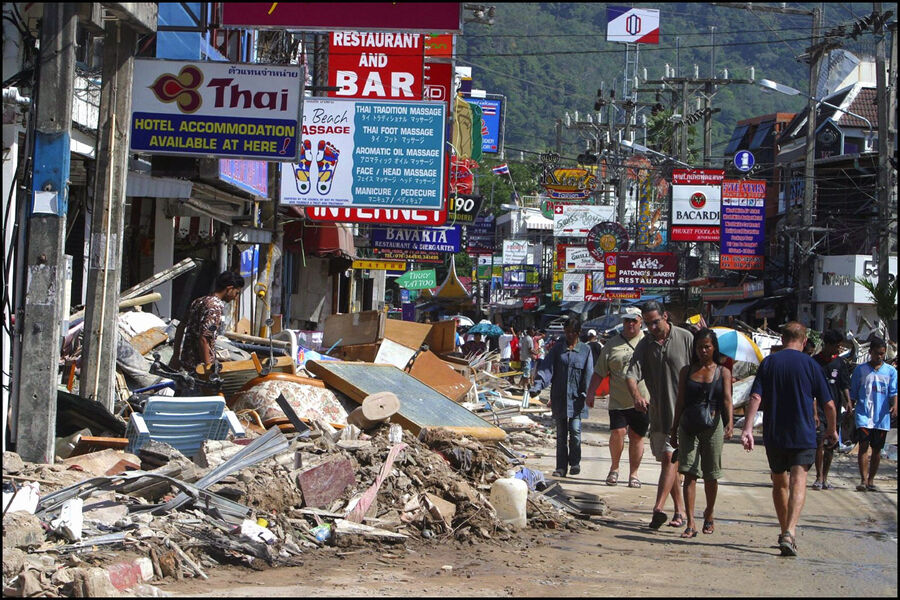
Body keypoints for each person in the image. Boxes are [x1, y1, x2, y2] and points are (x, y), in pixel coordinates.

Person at [741, 322, 837, 557]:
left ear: (782, 340)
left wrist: (747, 429)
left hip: (774, 433)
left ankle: (785, 530)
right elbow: (829, 405)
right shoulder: (811, 365)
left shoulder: (769, 363)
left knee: (778, 483)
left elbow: (755, 396)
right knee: (798, 482)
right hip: (803, 434)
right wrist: (832, 430)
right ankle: (790, 531)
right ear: (804, 342)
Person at [626, 300, 692, 529]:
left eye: (656, 322)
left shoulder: (685, 339)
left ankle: (658, 508)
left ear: (665, 316)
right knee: (669, 462)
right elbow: (631, 375)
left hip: (684, 415)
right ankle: (680, 512)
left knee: (669, 459)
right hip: (660, 415)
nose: (653, 328)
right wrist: (636, 396)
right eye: (649, 324)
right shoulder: (645, 345)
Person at [669, 329, 734, 538]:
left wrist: (730, 423)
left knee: (711, 475)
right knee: (689, 473)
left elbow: (726, 399)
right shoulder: (686, 371)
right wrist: (674, 427)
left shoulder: (722, 372)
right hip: (688, 426)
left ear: (714, 348)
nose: (703, 351)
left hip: (713, 427)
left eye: (707, 347)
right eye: (699, 347)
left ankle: (709, 513)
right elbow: (679, 401)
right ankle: (690, 523)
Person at [589, 307, 650, 488]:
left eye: (634, 321)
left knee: (637, 436)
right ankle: (614, 468)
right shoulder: (612, 344)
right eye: (627, 320)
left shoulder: (648, 343)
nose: (630, 324)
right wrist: (591, 392)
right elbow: (599, 371)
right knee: (618, 433)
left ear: (641, 322)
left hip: (642, 399)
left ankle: (634, 474)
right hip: (618, 400)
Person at [530, 317, 594, 478]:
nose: (569, 335)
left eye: (572, 332)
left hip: (577, 399)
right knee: (561, 434)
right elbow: (547, 370)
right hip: (559, 398)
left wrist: (588, 393)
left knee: (575, 431)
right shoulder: (557, 350)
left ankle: (575, 463)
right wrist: (537, 387)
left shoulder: (585, 350)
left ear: (578, 333)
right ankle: (561, 467)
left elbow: (589, 374)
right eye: (567, 332)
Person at [170, 271, 245, 372]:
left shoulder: (198, 301)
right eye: (236, 293)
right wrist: (208, 369)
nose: (235, 297)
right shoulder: (215, 307)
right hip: (199, 368)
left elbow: (180, 327)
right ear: (229, 289)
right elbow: (204, 338)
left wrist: (175, 357)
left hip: (186, 363)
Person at [849, 338, 898, 492]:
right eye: (877, 353)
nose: (879, 357)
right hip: (864, 414)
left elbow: (894, 392)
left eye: (882, 354)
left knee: (877, 449)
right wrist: (849, 408)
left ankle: (871, 480)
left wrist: (895, 405)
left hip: (881, 417)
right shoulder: (860, 370)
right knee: (863, 446)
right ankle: (863, 480)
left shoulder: (891, 371)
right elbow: (853, 392)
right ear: (870, 352)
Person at [811, 329, 852, 490]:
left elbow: (844, 385)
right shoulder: (814, 362)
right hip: (818, 408)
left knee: (831, 444)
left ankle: (826, 477)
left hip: (834, 409)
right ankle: (818, 477)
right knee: (819, 441)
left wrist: (848, 401)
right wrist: (813, 412)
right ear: (827, 345)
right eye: (836, 346)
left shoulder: (840, 363)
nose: (838, 349)